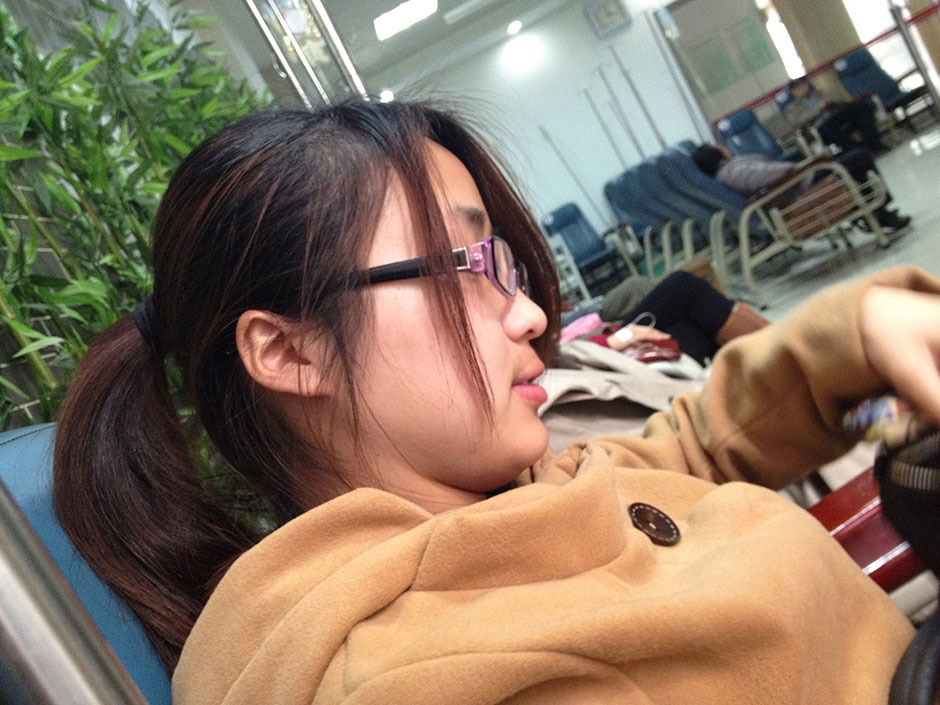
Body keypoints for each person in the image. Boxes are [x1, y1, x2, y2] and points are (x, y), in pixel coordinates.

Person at [51, 99, 940, 704]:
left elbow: (690, 446)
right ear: (291, 351)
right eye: (463, 266)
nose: (530, 313)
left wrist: (862, 331)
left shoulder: (507, 500)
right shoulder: (420, 671)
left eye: (502, 262)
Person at [691, 142, 912, 232]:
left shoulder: (729, 170)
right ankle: (880, 212)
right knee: (859, 157)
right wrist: (803, 166)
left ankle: (878, 211)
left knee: (851, 160)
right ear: (716, 154)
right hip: (797, 188)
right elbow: (766, 177)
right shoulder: (732, 172)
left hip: (795, 182)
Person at [599, 269, 769, 365]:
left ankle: (772, 356)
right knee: (682, 285)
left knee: (692, 324)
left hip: (601, 342)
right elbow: (586, 355)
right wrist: (625, 335)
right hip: (603, 354)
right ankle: (775, 349)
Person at [784, 76, 887, 153]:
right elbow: (798, 121)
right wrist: (819, 108)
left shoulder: (819, 92)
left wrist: (832, 100)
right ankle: (859, 150)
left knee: (859, 107)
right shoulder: (792, 108)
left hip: (835, 115)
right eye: (797, 88)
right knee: (826, 130)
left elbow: (840, 100)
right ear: (793, 92)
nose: (802, 88)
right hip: (819, 126)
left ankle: (873, 143)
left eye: (803, 85)